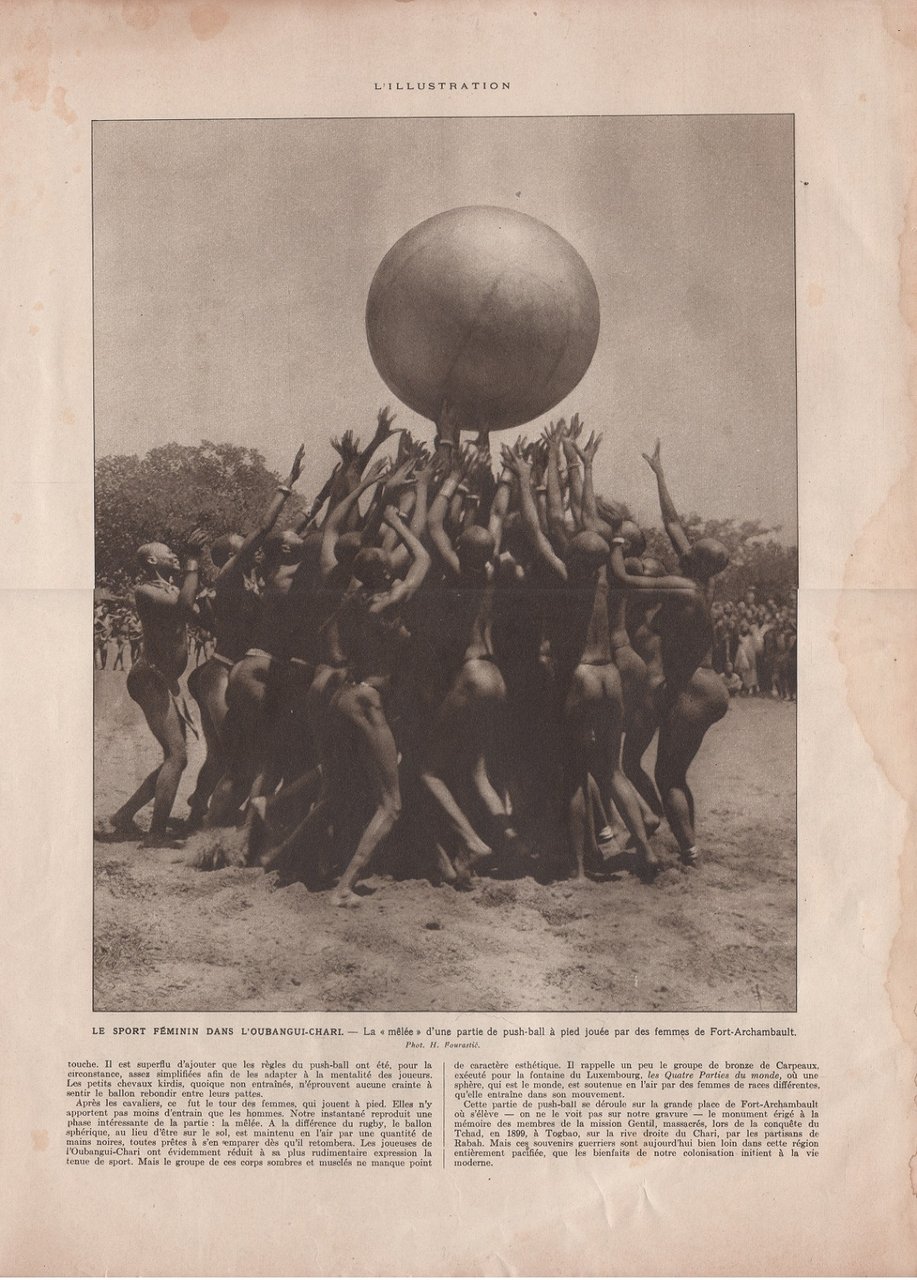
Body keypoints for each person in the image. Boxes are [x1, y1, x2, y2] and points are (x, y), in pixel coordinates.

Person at [608, 439, 730, 867]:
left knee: (667, 774)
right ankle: (688, 844)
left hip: (693, 690)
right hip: (709, 686)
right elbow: (673, 521)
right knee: (673, 771)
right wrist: (659, 474)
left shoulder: (683, 588)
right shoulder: (701, 579)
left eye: (693, 546)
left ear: (695, 560)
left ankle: (688, 848)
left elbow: (623, 578)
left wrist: (616, 540)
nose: (686, 543)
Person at [185, 445, 305, 829]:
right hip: (220, 673)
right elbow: (263, 532)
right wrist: (285, 486)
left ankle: (196, 809)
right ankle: (208, 829)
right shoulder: (228, 577)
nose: (252, 551)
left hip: (234, 670)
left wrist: (319, 500)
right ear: (229, 557)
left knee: (223, 757)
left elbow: (286, 536)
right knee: (237, 758)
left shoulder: (255, 576)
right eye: (243, 548)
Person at [96, 529, 207, 847]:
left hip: (162, 680)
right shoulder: (144, 590)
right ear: (151, 560)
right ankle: (156, 834)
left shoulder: (170, 588)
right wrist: (193, 562)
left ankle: (124, 815)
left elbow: (197, 615)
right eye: (167, 552)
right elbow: (185, 608)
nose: (173, 554)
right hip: (150, 678)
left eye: (177, 552)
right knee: (177, 755)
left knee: (176, 757)